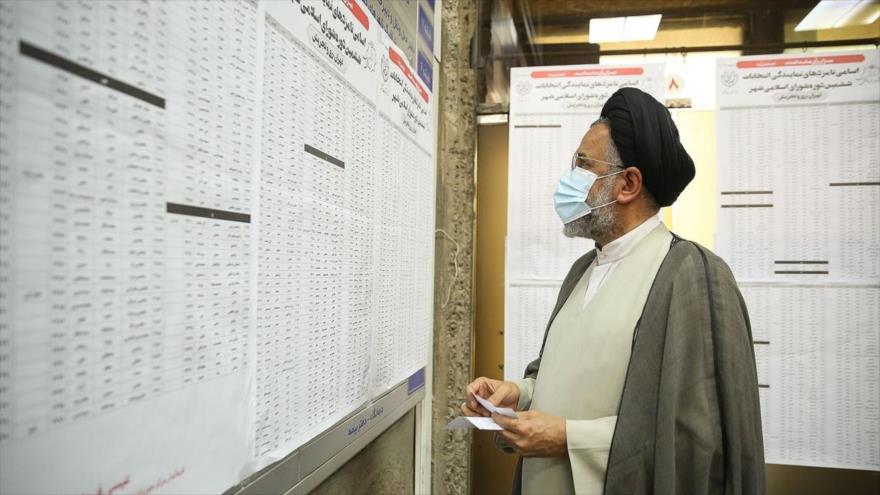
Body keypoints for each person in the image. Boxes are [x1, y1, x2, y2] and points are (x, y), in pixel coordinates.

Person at [462, 87, 765, 495]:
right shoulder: (582, 270)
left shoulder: (693, 277)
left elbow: (695, 442)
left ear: (628, 184)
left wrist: (570, 438)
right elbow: (568, 378)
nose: (569, 180)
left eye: (583, 166)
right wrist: (517, 394)